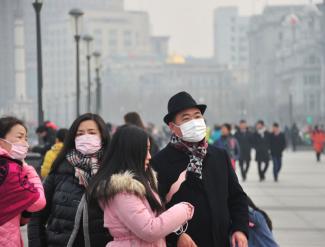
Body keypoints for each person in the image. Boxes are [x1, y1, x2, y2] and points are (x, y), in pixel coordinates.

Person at [151, 92, 249, 247]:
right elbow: (154, 210)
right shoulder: (159, 163)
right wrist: (176, 236)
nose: (194, 122)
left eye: (197, 116)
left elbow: (237, 197)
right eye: (186, 118)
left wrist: (240, 228)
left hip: (221, 241)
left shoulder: (219, 156)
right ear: (172, 127)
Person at [87, 125, 194, 247]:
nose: (149, 156)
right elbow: (150, 230)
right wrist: (184, 209)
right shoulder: (122, 191)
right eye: (146, 150)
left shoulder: (140, 184)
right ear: (132, 152)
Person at [28, 113, 112, 247]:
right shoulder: (60, 170)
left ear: (102, 136)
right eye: (80, 134)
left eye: (91, 132)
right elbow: (37, 217)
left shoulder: (113, 171)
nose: (86, 137)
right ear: (73, 138)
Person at [0, 116, 46, 247]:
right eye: (19, 137)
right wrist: (28, 169)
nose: (25, 143)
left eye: (26, 138)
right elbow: (38, 201)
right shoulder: (10, 169)